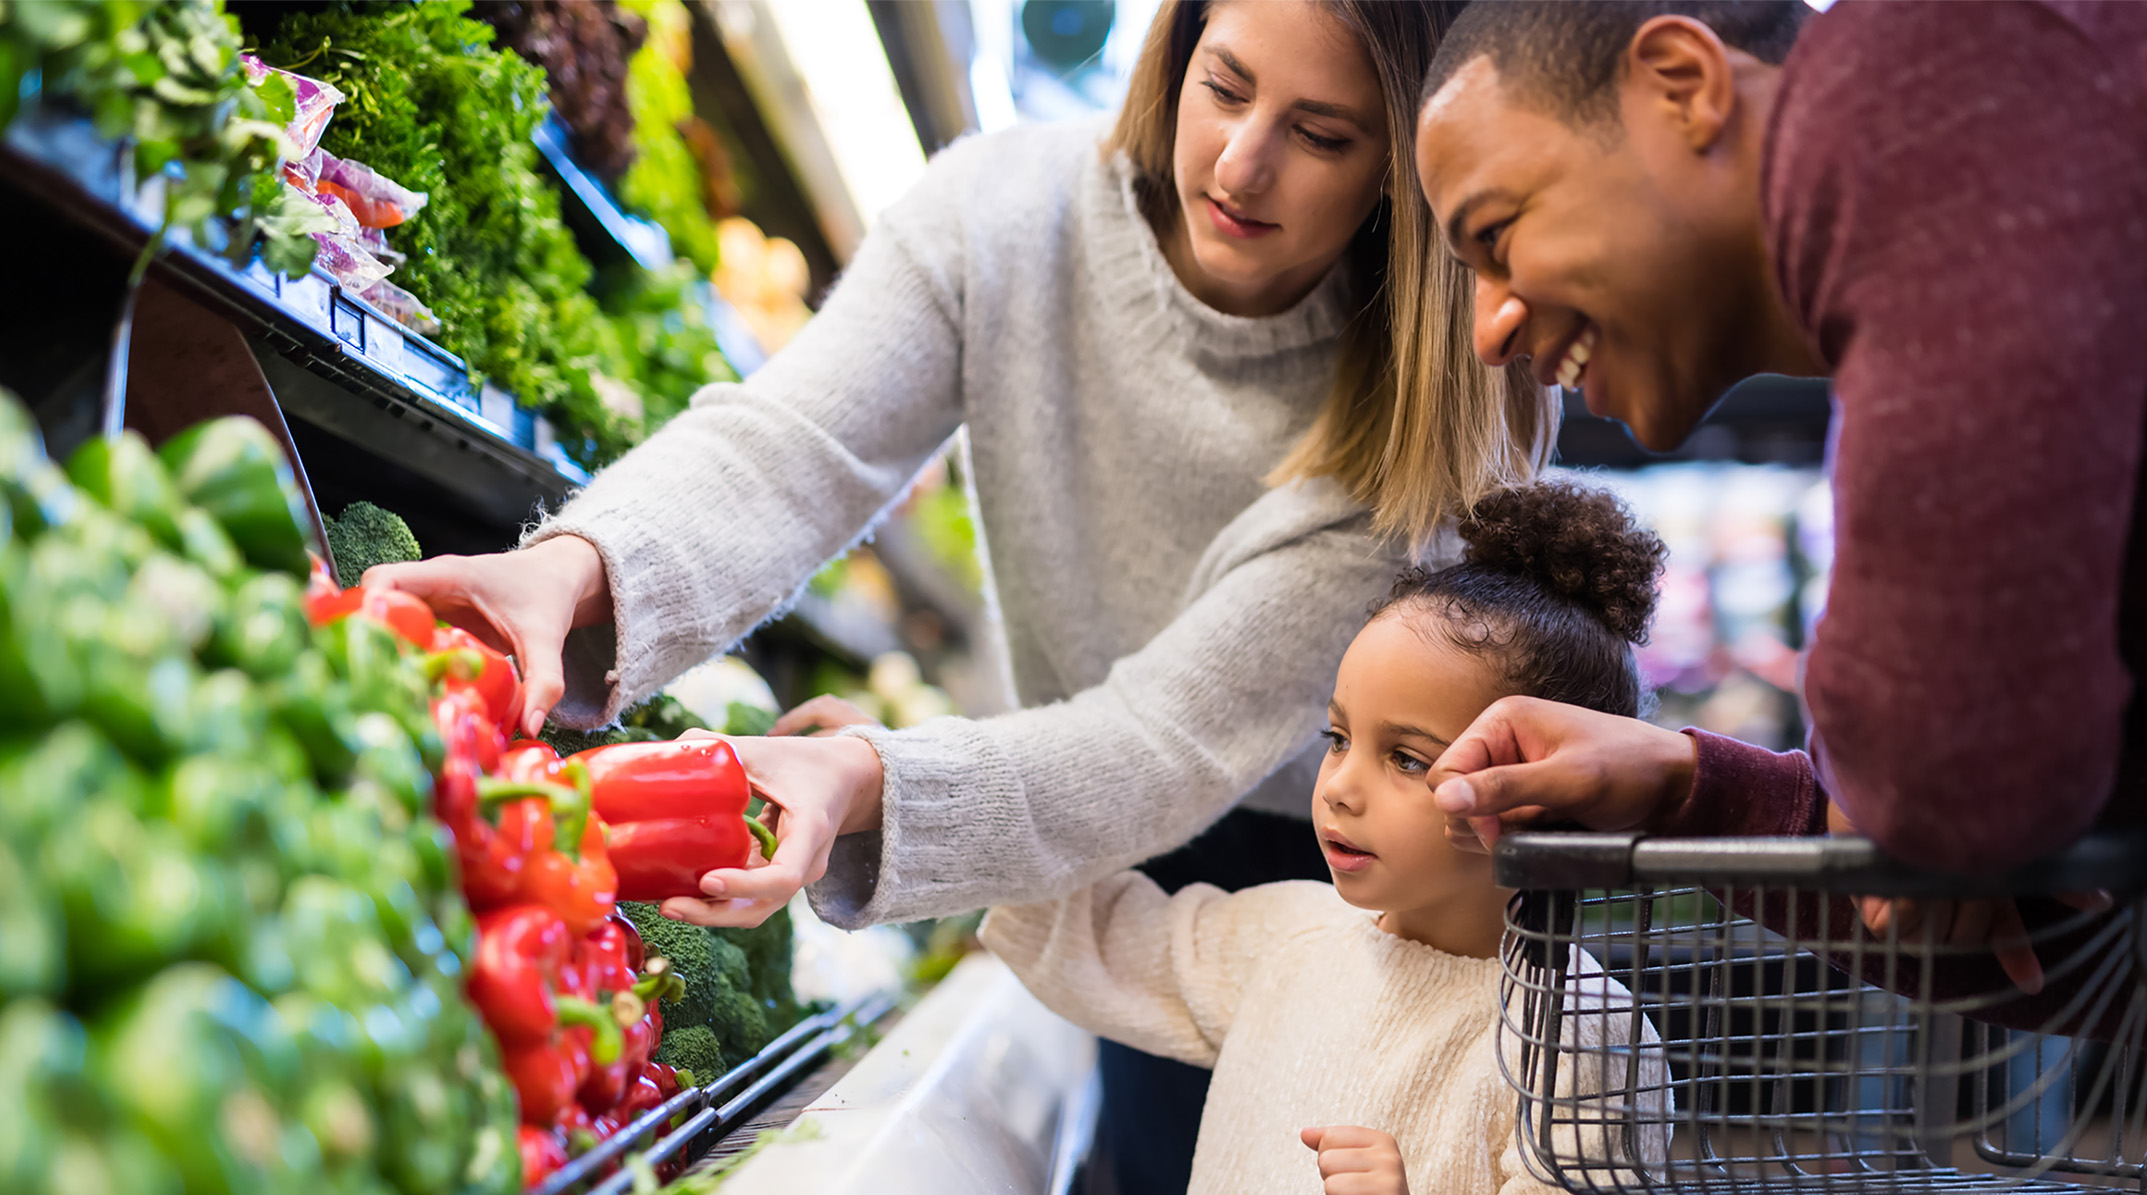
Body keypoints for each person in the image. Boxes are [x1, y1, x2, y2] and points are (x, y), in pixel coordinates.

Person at [364, 3, 1551, 1188]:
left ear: (1400, 164)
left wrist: (876, 779)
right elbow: (797, 443)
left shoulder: (1415, 410)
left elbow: (1159, 739)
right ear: (1175, 53)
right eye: (1225, 87)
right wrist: (575, 567)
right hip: (1092, 842)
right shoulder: (1008, 208)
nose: (1244, 163)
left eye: (1323, 133)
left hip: (1328, 882)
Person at [1408, 0, 2147, 1017]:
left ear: (1682, 82)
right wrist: (1689, 788)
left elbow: (1942, 782)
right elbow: (2120, 942)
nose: (1489, 328)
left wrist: (1924, 805)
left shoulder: (1941, 65)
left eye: (1497, 234)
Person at [982, 480, 1670, 1195]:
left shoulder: (1582, 1040)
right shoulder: (1288, 938)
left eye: (1407, 758)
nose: (1340, 784)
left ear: (1537, 793)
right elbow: (1102, 933)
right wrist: (904, 812)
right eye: (1337, 737)